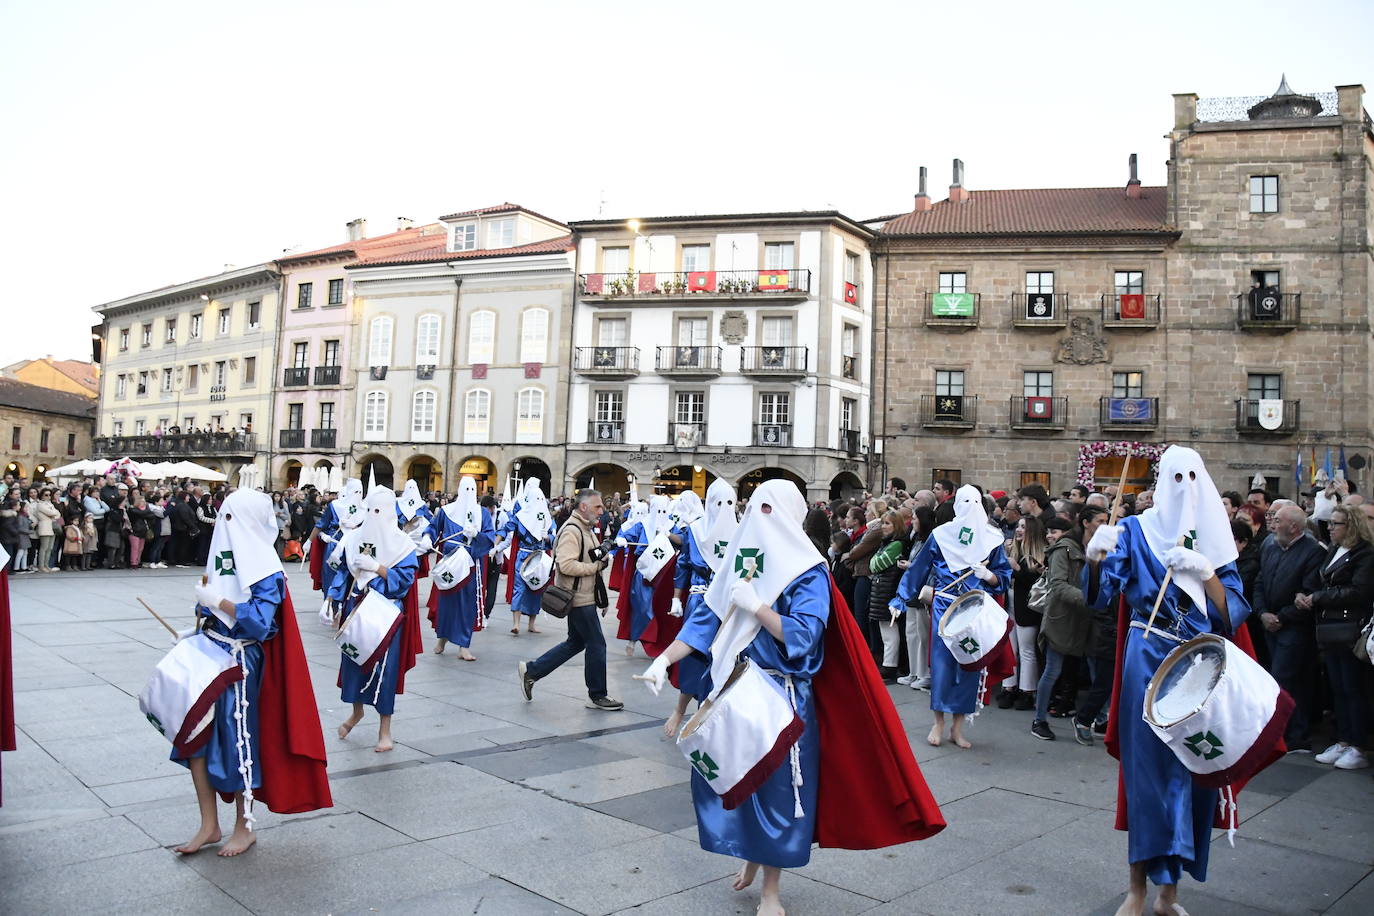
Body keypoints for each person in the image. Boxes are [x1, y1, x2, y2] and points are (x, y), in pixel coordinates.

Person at [638, 479, 945, 916]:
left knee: (780, 791)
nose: (757, 518)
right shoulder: (740, 560)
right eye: (754, 508)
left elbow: (803, 635)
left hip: (781, 695)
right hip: (734, 688)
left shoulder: (808, 570)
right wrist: (662, 660)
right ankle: (751, 853)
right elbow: (704, 621)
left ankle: (770, 892)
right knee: (736, 780)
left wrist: (757, 607)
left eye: (769, 509)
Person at [1086, 446, 1256, 916]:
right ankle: (1136, 888)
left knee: (1191, 771)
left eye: (1190, 476)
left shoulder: (1215, 538)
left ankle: (1169, 893)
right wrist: (1097, 556)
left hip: (1199, 660)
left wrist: (1207, 575)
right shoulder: (1137, 530)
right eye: (1173, 477)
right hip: (1147, 653)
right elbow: (1102, 598)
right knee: (1144, 775)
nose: (1181, 486)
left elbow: (1236, 613)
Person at [176, 488, 331, 855]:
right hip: (207, 656)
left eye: (233, 517)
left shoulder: (266, 569)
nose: (226, 526)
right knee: (194, 740)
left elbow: (259, 623)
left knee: (238, 741)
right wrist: (200, 623)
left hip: (240, 663)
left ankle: (244, 826)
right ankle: (208, 824)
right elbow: (210, 602)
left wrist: (219, 602)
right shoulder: (222, 556)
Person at [891, 485, 1012, 749]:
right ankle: (939, 722)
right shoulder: (941, 535)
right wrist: (900, 598)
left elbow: (1002, 578)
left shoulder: (992, 538)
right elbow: (919, 569)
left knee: (970, 665)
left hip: (974, 609)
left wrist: (988, 576)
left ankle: (958, 726)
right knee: (943, 665)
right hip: (944, 606)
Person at [332, 484, 421, 753]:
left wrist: (379, 568)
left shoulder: (402, 544)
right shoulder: (353, 538)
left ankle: (385, 730)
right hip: (357, 609)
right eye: (370, 510)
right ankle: (355, 713)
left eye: (379, 510)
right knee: (353, 665)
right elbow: (344, 575)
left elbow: (405, 580)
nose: (374, 515)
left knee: (385, 671)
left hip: (385, 614)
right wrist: (333, 600)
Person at [517, 489, 620, 710]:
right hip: (578, 598)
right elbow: (566, 564)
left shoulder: (586, 529)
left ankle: (532, 671)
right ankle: (598, 695)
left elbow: (591, 557)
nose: (601, 511)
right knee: (596, 643)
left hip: (585, 595)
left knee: (576, 642)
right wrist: (596, 566)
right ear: (583, 507)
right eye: (597, 507)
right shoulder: (573, 531)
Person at [1300, 505, 1374, 769]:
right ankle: (1343, 739)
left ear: (1351, 526)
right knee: (1339, 688)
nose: (1330, 528)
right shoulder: (1333, 550)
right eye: (1330, 523)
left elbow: (1358, 591)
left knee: (1354, 688)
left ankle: (1358, 744)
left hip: (1350, 627)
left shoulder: (1365, 553)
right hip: (1329, 627)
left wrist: (1319, 597)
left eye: (1336, 524)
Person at [1251, 504, 1325, 753]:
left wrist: (1281, 617)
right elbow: (1260, 581)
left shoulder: (1312, 552)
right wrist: (1262, 613)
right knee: (1279, 678)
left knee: (1286, 679)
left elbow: (1308, 590)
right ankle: (1285, 733)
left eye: (1278, 519)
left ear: (1293, 526)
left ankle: (1294, 736)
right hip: (1269, 622)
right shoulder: (1270, 545)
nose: (1272, 523)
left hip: (1293, 627)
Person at [1031, 515, 1093, 740]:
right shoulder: (1064, 549)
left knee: (1097, 673)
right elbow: (1058, 584)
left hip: (1088, 620)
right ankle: (1039, 719)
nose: (1104, 524)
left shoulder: (1097, 547)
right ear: (1086, 522)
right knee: (1053, 669)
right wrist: (1090, 599)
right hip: (1063, 617)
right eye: (1100, 520)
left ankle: (1091, 717)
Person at [426, 478, 495, 661]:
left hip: (471, 564)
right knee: (446, 602)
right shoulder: (447, 512)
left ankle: (464, 644)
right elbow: (434, 528)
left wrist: (477, 535)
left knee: (467, 605)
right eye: (466, 488)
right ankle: (442, 638)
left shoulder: (483, 514)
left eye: (473, 488)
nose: (469, 491)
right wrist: (427, 537)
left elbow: (490, 535)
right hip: (450, 561)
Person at [613, 494, 677, 655]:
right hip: (644, 574)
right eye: (658, 510)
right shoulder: (643, 525)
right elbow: (626, 535)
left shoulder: (672, 526)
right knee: (642, 608)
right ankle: (634, 639)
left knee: (662, 610)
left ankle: (659, 643)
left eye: (664, 510)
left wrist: (671, 536)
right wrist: (621, 540)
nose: (661, 514)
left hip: (665, 575)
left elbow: (682, 541)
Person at [1000, 515, 1047, 710]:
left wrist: (1016, 567)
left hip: (1027, 609)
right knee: (1009, 649)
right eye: (1018, 526)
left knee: (1027, 650)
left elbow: (1035, 582)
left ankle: (1027, 690)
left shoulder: (1040, 553)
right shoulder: (1013, 550)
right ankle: (1008, 687)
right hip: (1009, 606)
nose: (1018, 530)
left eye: (1023, 527)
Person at [500, 478, 555, 635]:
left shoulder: (548, 519)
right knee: (519, 589)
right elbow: (506, 529)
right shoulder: (520, 516)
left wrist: (547, 537)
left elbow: (555, 538)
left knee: (537, 589)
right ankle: (516, 623)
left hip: (540, 558)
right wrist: (496, 545)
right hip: (522, 556)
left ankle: (532, 623)